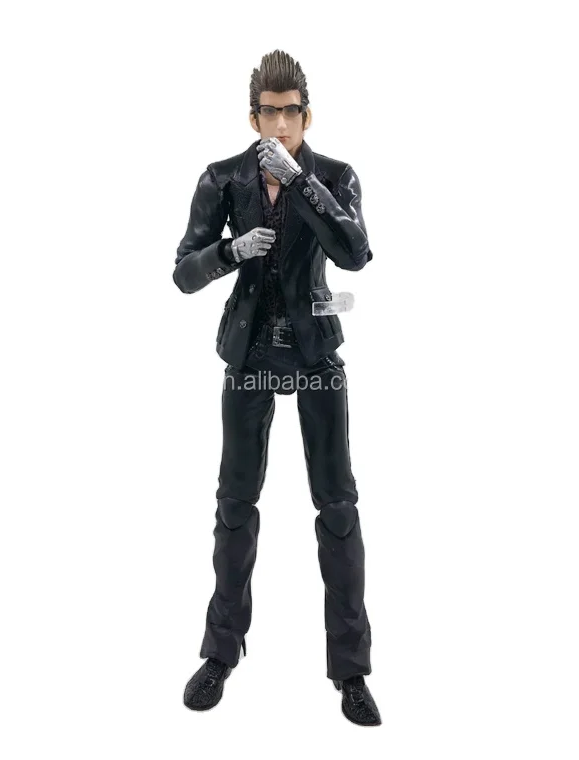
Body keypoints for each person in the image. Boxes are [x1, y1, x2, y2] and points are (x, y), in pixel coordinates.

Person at [173, 50, 381, 726]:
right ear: (254, 117)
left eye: (292, 112)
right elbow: (182, 271)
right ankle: (220, 654)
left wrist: (302, 185)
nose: (282, 124)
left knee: (338, 506)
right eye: (270, 112)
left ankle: (351, 670)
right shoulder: (223, 177)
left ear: (307, 116)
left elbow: (355, 254)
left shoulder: (336, 176)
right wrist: (231, 251)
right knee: (234, 505)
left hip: (316, 349)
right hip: (249, 350)